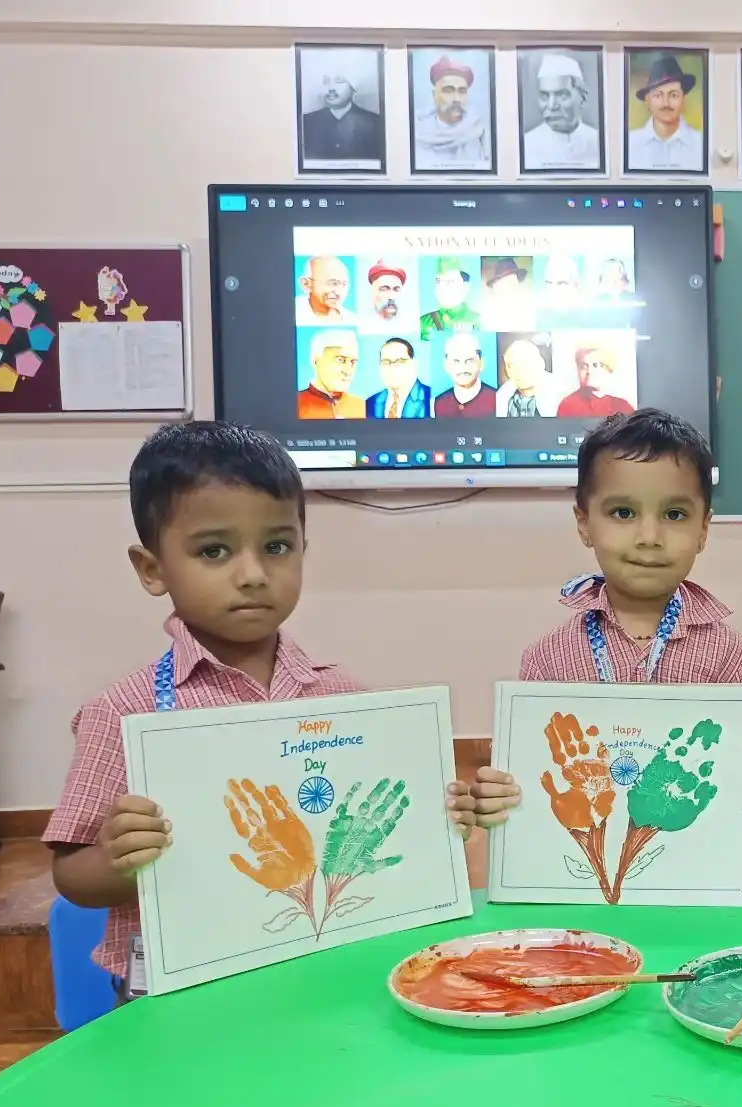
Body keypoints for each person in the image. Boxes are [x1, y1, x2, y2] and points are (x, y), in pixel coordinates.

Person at [42, 421, 511, 1000]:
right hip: (184, 993)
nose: (252, 574)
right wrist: (118, 858)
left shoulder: (349, 700)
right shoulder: (123, 711)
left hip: (329, 978)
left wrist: (444, 819)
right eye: (213, 550)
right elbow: (72, 876)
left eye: (276, 546)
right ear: (152, 569)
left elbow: (391, 837)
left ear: (303, 551)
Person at [471, 409, 742, 815]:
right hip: (584, 866)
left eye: (674, 515)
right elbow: (529, 787)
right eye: (623, 513)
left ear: (703, 530)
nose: (649, 538)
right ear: (584, 523)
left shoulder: (731, 658)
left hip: (693, 866)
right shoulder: (547, 660)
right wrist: (500, 796)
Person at [522, 53, 601, 171]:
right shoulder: (526, 146)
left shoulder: (599, 142)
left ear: (583, 98)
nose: (551, 106)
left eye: (562, 96)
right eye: (544, 96)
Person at [412, 55, 492, 171]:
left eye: (462, 91)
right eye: (448, 91)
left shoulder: (480, 132)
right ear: (434, 95)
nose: (457, 99)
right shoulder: (418, 132)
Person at [627, 54, 704, 172]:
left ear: (683, 99)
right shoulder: (630, 144)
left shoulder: (701, 144)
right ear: (648, 100)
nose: (666, 103)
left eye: (674, 95)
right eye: (658, 96)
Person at [300, 71, 383, 162]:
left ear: (353, 89)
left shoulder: (375, 123)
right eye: (326, 82)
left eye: (339, 82)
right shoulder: (306, 123)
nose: (331, 88)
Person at [297, 329, 364, 420]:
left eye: (352, 362)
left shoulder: (362, 406)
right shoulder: (295, 404)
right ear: (317, 361)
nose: (348, 371)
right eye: (341, 360)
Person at [557, 344, 634, 417]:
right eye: (584, 366)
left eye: (595, 365)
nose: (589, 371)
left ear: (607, 369)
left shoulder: (623, 406)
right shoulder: (568, 405)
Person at [431, 331, 495, 418]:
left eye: (470, 361)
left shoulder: (498, 399)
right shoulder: (435, 404)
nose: (463, 368)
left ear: (481, 363)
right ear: (446, 366)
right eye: (456, 361)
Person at [365, 337, 432, 419]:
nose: (392, 368)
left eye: (400, 361)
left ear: (414, 364)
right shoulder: (369, 403)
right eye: (386, 362)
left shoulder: (431, 399)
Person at [418, 257, 479, 341]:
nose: (442, 288)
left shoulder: (478, 321)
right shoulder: (423, 321)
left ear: (465, 287)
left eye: (450, 282)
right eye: (438, 282)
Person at [495, 337, 552, 417]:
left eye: (524, 364)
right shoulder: (501, 396)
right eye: (511, 365)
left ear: (540, 364)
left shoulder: (561, 394)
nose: (517, 371)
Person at [295, 256, 351, 325]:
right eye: (333, 283)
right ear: (306, 284)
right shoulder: (293, 313)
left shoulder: (352, 319)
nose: (339, 292)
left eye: (344, 284)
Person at [362, 261, 412, 329]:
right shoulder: (365, 324)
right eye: (384, 289)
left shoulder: (409, 325)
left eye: (396, 290)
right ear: (373, 293)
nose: (391, 297)